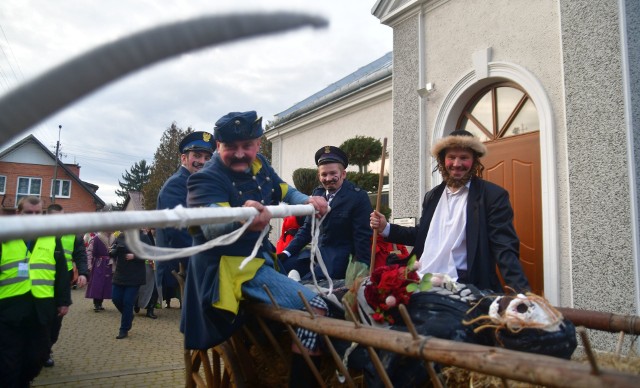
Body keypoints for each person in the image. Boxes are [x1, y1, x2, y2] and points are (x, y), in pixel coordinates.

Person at [181, 111, 329, 385]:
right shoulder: (204, 178)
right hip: (228, 268)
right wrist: (241, 216)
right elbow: (210, 223)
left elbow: (284, 190)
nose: (240, 154)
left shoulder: (260, 164)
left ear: (258, 144)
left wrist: (309, 199)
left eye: (247, 146)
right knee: (316, 307)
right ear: (218, 147)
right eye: (230, 148)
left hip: (259, 260)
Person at [370, 129, 530, 293]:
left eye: (464, 157)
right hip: (422, 281)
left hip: (464, 286)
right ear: (442, 160)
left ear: (474, 160)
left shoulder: (492, 196)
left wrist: (522, 293)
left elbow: (504, 247)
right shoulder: (432, 196)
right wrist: (386, 227)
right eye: (451, 157)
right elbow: (422, 236)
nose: (457, 164)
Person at [0, 196, 71, 387]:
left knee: (38, 355)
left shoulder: (51, 238)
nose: (33, 217)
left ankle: (24, 379)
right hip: (9, 309)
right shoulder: (5, 236)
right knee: (9, 359)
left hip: (41, 307)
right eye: (28, 213)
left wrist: (64, 301)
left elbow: (62, 271)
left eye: (37, 213)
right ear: (18, 213)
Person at [278, 146, 373, 280]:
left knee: (309, 285)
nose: (328, 178)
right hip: (314, 255)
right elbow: (306, 230)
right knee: (280, 267)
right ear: (319, 176)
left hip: (339, 260)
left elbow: (362, 237)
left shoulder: (358, 197)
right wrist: (286, 253)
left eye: (333, 173)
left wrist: (361, 269)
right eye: (324, 174)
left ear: (343, 174)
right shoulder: (317, 193)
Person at [156, 131, 214, 309]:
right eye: (197, 156)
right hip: (185, 265)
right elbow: (179, 232)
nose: (202, 161)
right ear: (184, 158)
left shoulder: (202, 185)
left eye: (207, 157)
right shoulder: (177, 185)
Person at [43, 203, 89, 367]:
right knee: (42, 320)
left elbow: (81, 254)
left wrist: (83, 273)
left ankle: (47, 347)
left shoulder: (72, 235)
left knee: (56, 321)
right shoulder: (37, 233)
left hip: (63, 282)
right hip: (40, 282)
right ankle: (42, 351)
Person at [110, 230, 149, 339]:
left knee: (127, 301)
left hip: (135, 276)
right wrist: (113, 251)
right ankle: (129, 316)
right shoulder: (121, 236)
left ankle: (124, 329)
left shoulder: (143, 237)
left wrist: (135, 256)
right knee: (115, 298)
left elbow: (149, 253)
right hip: (120, 274)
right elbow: (113, 249)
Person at [85, 231, 115, 311]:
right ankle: (96, 303)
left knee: (106, 284)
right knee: (97, 283)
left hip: (109, 264)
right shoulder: (96, 238)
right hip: (99, 263)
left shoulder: (114, 238)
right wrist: (89, 264)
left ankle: (100, 302)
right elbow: (89, 251)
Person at [135, 228, 159, 319]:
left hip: (155, 264)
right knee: (141, 287)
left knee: (155, 288)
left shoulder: (157, 235)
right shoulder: (140, 235)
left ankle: (150, 309)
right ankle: (137, 304)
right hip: (143, 265)